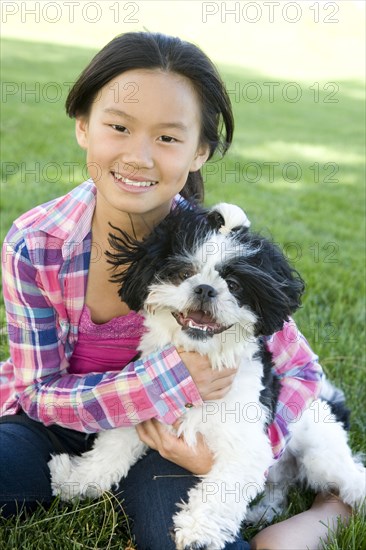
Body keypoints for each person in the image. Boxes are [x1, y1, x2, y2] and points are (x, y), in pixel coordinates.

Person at [0, 32, 352, 549]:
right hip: (56, 422)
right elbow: (36, 392)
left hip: (170, 442)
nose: (139, 155)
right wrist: (160, 382)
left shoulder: (220, 253)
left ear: (199, 152)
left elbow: (299, 369)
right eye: (118, 127)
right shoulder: (37, 243)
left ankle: (333, 507)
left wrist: (236, 451)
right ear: (83, 127)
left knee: (186, 541)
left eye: (168, 138)